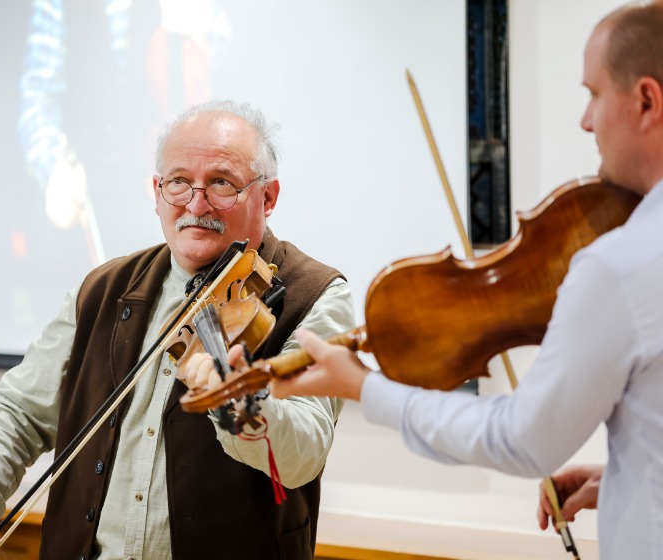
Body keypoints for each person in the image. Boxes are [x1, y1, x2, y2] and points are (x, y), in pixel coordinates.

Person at [267, 3, 663, 558]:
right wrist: (628, 476)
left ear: (646, 100)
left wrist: (363, 388)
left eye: (593, 94)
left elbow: (524, 441)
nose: (586, 120)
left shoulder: (621, 264)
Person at [0, 100, 355, 560]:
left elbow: (304, 452)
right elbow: (18, 410)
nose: (197, 204)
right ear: (157, 191)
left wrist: (239, 404)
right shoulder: (103, 288)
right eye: (179, 183)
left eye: (221, 183)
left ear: (268, 197)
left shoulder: (315, 294)